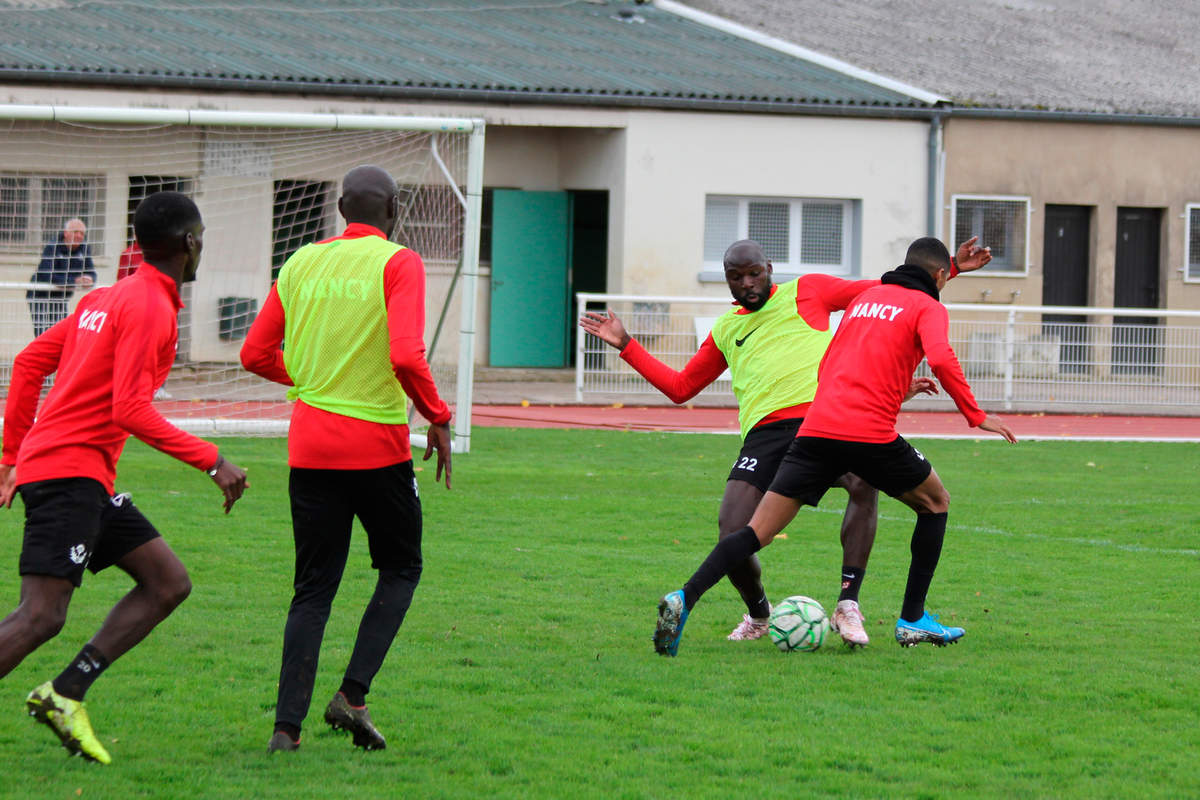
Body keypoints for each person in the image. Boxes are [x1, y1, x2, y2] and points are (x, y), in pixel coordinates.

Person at [580, 237, 991, 647]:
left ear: (770, 268)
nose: (746, 283)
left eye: (754, 273)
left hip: (824, 418)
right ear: (726, 281)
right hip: (765, 436)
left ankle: (848, 603)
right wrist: (627, 346)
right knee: (732, 528)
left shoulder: (809, 290)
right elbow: (681, 387)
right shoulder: (726, 328)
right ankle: (760, 613)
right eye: (735, 277)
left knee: (864, 481)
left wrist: (949, 268)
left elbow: (885, 292)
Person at [0, 192, 249, 763]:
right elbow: (129, 410)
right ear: (189, 243)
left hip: (76, 473)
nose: (202, 244)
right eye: (202, 235)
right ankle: (62, 693)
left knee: (166, 582)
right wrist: (211, 459)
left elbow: (29, 362)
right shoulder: (149, 308)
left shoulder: (108, 296)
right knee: (40, 616)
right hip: (69, 473)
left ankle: (65, 693)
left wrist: (13, 457)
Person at [240, 164, 453, 754]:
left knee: (312, 589)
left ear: (339, 209)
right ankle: (352, 698)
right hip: (376, 449)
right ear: (395, 209)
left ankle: (285, 730)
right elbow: (407, 355)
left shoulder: (299, 262)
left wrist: (311, 377)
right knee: (401, 567)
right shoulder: (398, 261)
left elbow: (254, 352)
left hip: (309, 447)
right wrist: (438, 416)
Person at [27, 218, 98, 337]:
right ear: (66, 233)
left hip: (60, 297)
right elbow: (47, 275)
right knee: (43, 333)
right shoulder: (52, 247)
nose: (79, 236)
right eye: (76, 232)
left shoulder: (84, 249)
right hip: (40, 296)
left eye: (82, 233)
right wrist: (74, 281)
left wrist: (90, 279)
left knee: (60, 333)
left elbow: (92, 272)